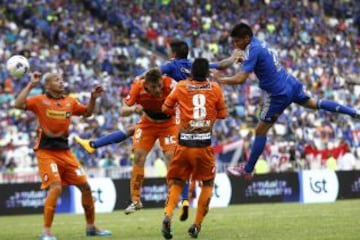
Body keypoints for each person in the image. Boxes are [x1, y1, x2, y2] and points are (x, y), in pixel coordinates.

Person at [74, 40, 238, 220]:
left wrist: (142, 78)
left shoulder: (169, 76)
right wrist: (234, 57)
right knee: (138, 151)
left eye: (159, 86)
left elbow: (159, 79)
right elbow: (123, 110)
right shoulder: (178, 72)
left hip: (170, 121)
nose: (158, 90)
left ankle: (181, 199)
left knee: (170, 157)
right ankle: (137, 200)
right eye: (154, 87)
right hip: (155, 121)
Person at [213, 22, 360, 178]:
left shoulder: (252, 50)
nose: (235, 45)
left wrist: (222, 80)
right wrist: (206, 66)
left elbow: (241, 78)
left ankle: (248, 170)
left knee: (260, 131)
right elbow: (229, 63)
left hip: (278, 94)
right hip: (291, 83)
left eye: (237, 41)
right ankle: (352, 112)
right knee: (315, 103)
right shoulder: (260, 43)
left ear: (246, 38)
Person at [13, 72, 111, 240]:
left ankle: (91, 227)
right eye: (56, 80)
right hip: (46, 152)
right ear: (48, 86)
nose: (61, 81)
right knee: (56, 187)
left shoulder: (70, 101)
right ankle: (46, 233)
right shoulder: (39, 101)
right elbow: (17, 104)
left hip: (65, 152)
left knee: (86, 187)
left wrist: (93, 97)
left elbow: (87, 113)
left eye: (61, 79)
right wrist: (31, 85)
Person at [161, 58, 228, 239]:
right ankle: (196, 225)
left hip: (183, 145)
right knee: (207, 184)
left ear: (191, 72)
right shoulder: (215, 88)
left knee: (177, 182)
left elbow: (165, 108)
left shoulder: (181, 86)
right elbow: (223, 114)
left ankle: (167, 214)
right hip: (203, 145)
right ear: (207, 73)